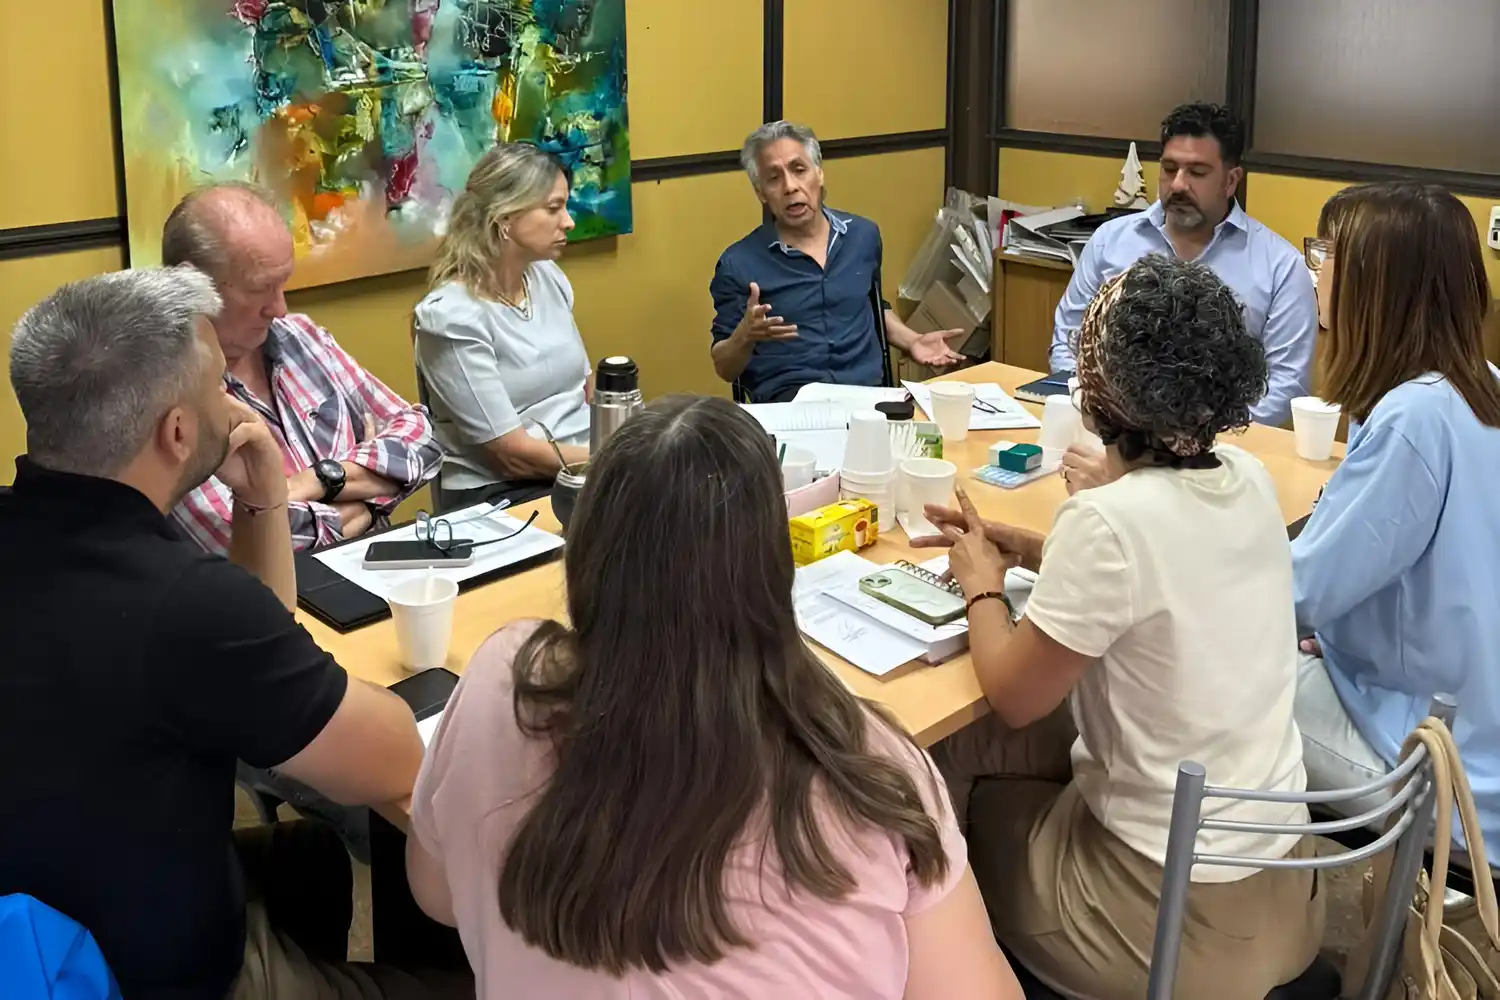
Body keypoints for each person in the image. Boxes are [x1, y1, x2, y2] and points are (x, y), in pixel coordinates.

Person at [404, 394, 1021, 999]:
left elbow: (435, 894)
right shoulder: (868, 766)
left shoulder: (505, 678)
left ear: (586, 548)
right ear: (773, 568)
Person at [0, 267, 466, 999]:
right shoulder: (179, 602)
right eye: (221, 384)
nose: (233, 402)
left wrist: (265, 500)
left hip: (42, 913)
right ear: (178, 432)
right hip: (140, 972)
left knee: (312, 855)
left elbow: (258, 654)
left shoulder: (50, 540)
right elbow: (394, 761)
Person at [920, 257, 1322, 999]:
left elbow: (1012, 696)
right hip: (1288, 888)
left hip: (1164, 926)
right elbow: (1166, 559)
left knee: (943, 767)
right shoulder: (1247, 477)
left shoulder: (1107, 522)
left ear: (1101, 389)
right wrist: (1035, 546)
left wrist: (981, 585)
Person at [1291, 182, 1500, 856]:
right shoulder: (1482, 384)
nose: (1315, 275)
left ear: (1374, 287)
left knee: (1197, 677)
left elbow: (1295, 595)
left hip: (1438, 767)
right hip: (1478, 734)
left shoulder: (1413, 418)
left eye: (1325, 256)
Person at [163, 182, 442, 553]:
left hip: (377, 571)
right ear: (190, 284)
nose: (279, 308)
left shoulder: (299, 335)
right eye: (261, 288)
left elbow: (424, 437)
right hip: (272, 601)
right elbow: (237, 537)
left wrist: (320, 481)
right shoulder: (165, 385)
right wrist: (373, 501)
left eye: (283, 284)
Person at [1049, 103, 1317, 430]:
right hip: (1110, 434)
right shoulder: (1110, 241)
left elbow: (1286, 385)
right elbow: (1069, 339)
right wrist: (1094, 409)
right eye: (1169, 168)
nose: (1177, 185)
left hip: (1221, 451)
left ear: (1231, 181)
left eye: (1197, 173)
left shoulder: (1281, 267)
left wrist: (1194, 437)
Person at [709, 121, 965, 403]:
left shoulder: (863, 236)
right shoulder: (738, 263)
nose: (790, 187)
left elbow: (869, 304)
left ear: (818, 174)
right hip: (790, 407)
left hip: (869, 399)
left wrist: (913, 340)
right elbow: (724, 367)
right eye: (773, 178)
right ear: (760, 193)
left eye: (799, 170)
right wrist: (745, 336)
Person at [415, 142, 591, 510]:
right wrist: (616, 461)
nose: (569, 221)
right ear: (505, 218)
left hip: (583, 469)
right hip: (503, 493)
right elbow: (511, 455)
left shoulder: (547, 277)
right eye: (554, 208)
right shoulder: (450, 318)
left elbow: (585, 388)